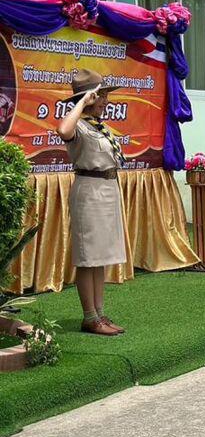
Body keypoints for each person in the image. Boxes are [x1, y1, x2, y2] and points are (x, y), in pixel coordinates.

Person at [57, 68, 128, 336]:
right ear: (88, 98)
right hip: (89, 190)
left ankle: (99, 314)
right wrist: (81, 103)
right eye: (101, 96)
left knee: (100, 257)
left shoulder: (99, 126)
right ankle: (89, 317)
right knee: (88, 258)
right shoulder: (78, 125)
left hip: (107, 189)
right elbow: (62, 130)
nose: (106, 101)